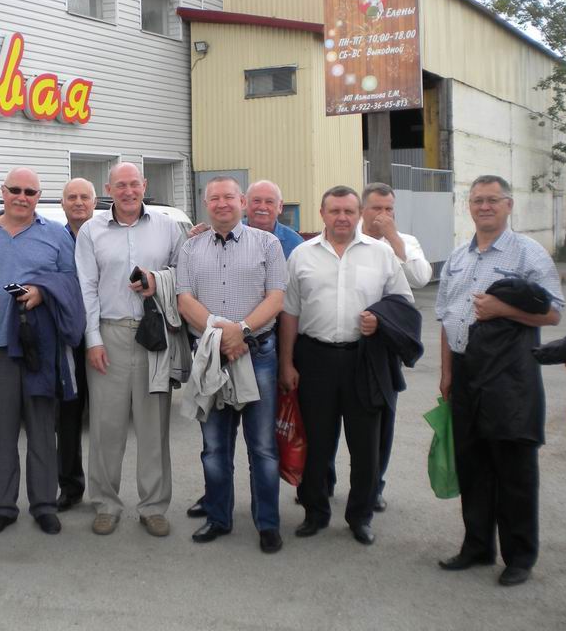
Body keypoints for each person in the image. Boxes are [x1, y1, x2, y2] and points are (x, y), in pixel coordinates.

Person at [436, 175, 563, 587]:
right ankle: (477, 546)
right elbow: (446, 317)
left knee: (513, 468)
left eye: (493, 200)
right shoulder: (458, 256)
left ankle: (519, 556)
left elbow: (553, 313)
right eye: (477, 200)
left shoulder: (528, 253)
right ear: (468, 206)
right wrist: (447, 373)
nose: (485, 206)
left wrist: (501, 310)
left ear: (509, 205)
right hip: (465, 372)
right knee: (472, 464)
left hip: (509, 374)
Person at [279, 185, 412, 546]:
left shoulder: (381, 255)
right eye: (334, 211)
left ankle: (360, 517)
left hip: (364, 360)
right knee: (316, 444)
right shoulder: (302, 255)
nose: (342, 217)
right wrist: (286, 363)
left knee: (365, 447)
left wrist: (380, 321)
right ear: (322, 213)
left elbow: (403, 303)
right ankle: (315, 512)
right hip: (314, 359)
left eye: (348, 211)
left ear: (359, 214)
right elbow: (289, 313)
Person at [75, 162, 185, 537]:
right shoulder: (91, 231)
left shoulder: (167, 227)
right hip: (110, 334)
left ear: (144, 185)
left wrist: (157, 279)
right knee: (106, 427)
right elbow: (86, 287)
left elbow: (184, 274)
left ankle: (153, 506)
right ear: (109, 189)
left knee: (154, 427)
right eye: (120, 185)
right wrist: (93, 339)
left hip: (155, 335)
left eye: (133, 184)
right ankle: (106, 503)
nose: (127, 191)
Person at [176, 177, 286, 553]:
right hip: (211, 356)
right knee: (214, 447)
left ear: (241, 201)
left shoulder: (267, 244)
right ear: (206, 203)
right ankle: (218, 518)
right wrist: (221, 332)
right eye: (214, 198)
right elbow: (184, 299)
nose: (221, 203)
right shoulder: (190, 248)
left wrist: (242, 330)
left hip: (257, 356)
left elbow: (276, 298)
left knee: (263, 447)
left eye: (228, 197)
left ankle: (267, 523)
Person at [0, 168, 78, 536]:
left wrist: (43, 291)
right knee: (0, 431)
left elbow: (71, 281)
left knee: (43, 429)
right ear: (3, 192)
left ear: (38, 197)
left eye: (30, 192)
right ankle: (3, 506)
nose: (22, 197)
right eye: (15, 189)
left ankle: (44, 504)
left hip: (39, 347)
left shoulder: (56, 234)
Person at [359, 181, 432, 512]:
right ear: (363, 209)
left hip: (384, 341)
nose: (383, 214)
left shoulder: (405, 241)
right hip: (343, 340)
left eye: (389, 209)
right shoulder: (346, 237)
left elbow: (421, 277)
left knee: (381, 421)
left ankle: (374, 485)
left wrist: (393, 238)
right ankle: (323, 481)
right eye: (377, 208)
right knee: (330, 419)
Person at [57, 177, 97, 511]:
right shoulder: (53, 238)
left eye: (85, 197)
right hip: (67, 340)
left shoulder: (105, 234)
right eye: (72, 197)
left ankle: (105, 490)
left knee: (105, 417)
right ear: (63, 203)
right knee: (67, 418)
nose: (79, 202)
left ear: (94, 203)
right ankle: (70, 487)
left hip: (104, 337)